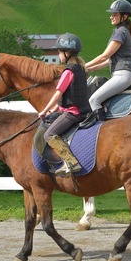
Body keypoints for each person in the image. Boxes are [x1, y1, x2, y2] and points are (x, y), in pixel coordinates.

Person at [37, 33, 91, 177]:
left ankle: (70, 162)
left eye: (60, 51)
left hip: (72, 114)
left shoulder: (68, 71)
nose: (59, 54)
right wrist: (55, 109)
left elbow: (57, 94)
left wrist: (44, 111)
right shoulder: (80, 68)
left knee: (49, 134)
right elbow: (71, 95)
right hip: (83, 111)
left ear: (67, 53)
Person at [83, 0, 131, 122]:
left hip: (122, 74)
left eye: (114, 14)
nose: (111, 17)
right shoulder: (122, 31)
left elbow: (105, 56)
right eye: (111, 14)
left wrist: (82, 66)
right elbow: (110, 61)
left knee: (94, 100)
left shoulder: (120, 32)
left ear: (124, 16)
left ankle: (99, 130)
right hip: (126, 73)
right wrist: (90, 68)